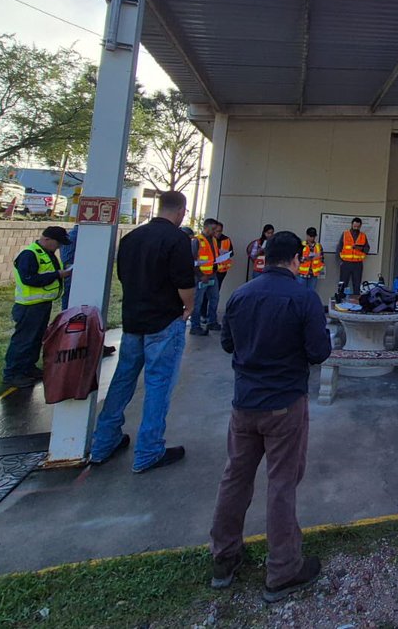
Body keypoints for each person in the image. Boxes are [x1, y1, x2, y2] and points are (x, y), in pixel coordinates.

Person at [210, 230, 330, 601]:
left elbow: (227, 343)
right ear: (296, 259)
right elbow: (319, 352)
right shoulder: (304, 298)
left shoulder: (240, 294)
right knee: (281, 484)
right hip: (284, 405)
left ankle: (223, 558)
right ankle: (283, 569)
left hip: (243, 404)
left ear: (265, 257)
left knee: (235, 478)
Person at [88, 191, 195, 473]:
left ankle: (103, 443)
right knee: (158, 384)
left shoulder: (131, 238)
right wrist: (188, 308)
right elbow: (184, 283)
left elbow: (123, 276)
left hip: (133, 321)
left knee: (123, 380)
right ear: (181, 211)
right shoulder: (177, 240)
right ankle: (149, 450)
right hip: (164, 322)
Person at [3, 226, 72, 388]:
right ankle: (13, 374)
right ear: (46, 239)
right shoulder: (29, 254)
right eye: (58, 243)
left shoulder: (46, 253)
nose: (59, 247)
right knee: (23, 341)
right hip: (29, 306)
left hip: (41, 304)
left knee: (35, 339)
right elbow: (29, 279)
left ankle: (28, 368)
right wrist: (57, 275)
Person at [190, 219, 221, 336]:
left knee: (214, 298)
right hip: (201, 277)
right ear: (206, 227)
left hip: (212, 275)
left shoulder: (214, 240)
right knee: (197, 302)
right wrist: (200, 275)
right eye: (213, 229)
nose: (215, 232)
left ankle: (212, 322)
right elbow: (192, 260)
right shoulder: (196, 241)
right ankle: (195, 326)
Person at [336, 218, 369, 296]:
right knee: (343, 284)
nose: (356, 228)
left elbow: (367, 249)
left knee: (357, 285)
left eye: (358, 227)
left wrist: (360, 248)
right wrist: (340, 261)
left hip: (358, 264)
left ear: (360, 226)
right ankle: (341, 300)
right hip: (346, 263)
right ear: (352, 225)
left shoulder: (363, 236)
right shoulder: (345, 234)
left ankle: (356, 301)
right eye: (355, 226)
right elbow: (339, 248)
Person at [298, 227, 324, 296]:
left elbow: (322, 259)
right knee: (301, 293)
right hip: (302, 274)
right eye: (310, 236)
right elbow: (297, 258)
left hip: (313, 274)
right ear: (307, 235)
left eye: (313, 236)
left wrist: (320, 265)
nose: (312, 238)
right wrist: (305, 258)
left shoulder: (318, 246)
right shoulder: (301, 245)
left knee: (311, 294)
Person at [59, 223, 79, 309]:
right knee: (69, 294)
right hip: (71, 270)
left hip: (69, 268)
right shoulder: (74, 236)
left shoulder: (71, 235)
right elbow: (67, 259)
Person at [213, 221, 233, 290]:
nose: (219, 233)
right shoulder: (209, 239)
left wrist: (225, 255)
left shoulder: (226, 239)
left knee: (216, 290)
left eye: (220, 231)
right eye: (217, 231)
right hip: (210, 269)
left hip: (221, 270)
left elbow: (231, 253)